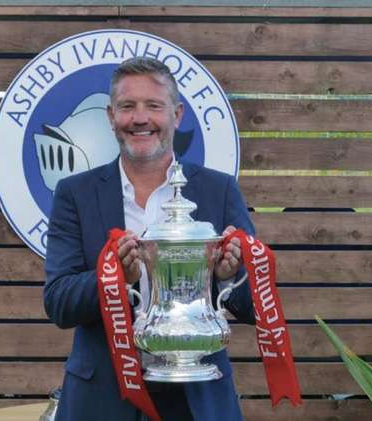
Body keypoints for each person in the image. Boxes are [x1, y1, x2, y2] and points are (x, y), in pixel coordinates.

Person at [43, 56, 256, 421]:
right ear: (111, 117)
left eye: (153, 105)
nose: (140, 118)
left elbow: (254, 307)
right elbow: (59, 302)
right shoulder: (74, 194)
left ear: (177, 114)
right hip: (102, 399)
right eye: (128, 107)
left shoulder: (218, 191)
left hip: (197, 399)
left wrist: (225, 275)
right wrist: (113, 282)